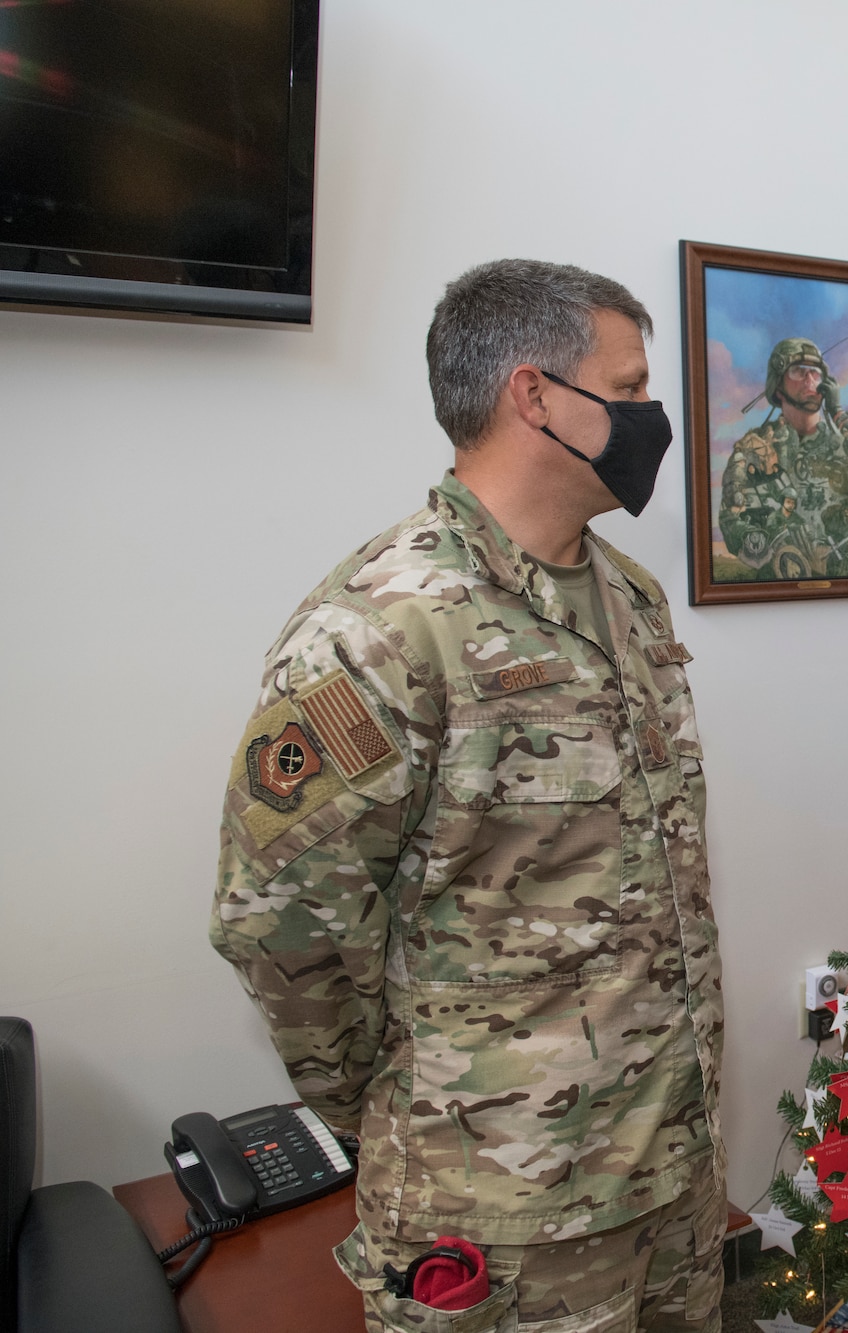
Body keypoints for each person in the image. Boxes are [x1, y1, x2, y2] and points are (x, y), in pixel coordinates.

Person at [210, 259, 725, 1333]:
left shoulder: (627, 596)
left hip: (667, 1172)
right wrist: (409, 1107)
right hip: (499, 1216)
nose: (649, 419)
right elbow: (283, 926)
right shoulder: (380, 627)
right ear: (534, 397)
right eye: (627, 393)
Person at [718, 338, 848, 579]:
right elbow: (731, 520)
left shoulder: (843, 446)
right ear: (778, 386)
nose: (810, 380)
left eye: (815, 373)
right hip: (777, 591)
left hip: (847, 589)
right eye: (798, 372)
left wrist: (839, 415)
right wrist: (779, 547)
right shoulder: (755, 448)